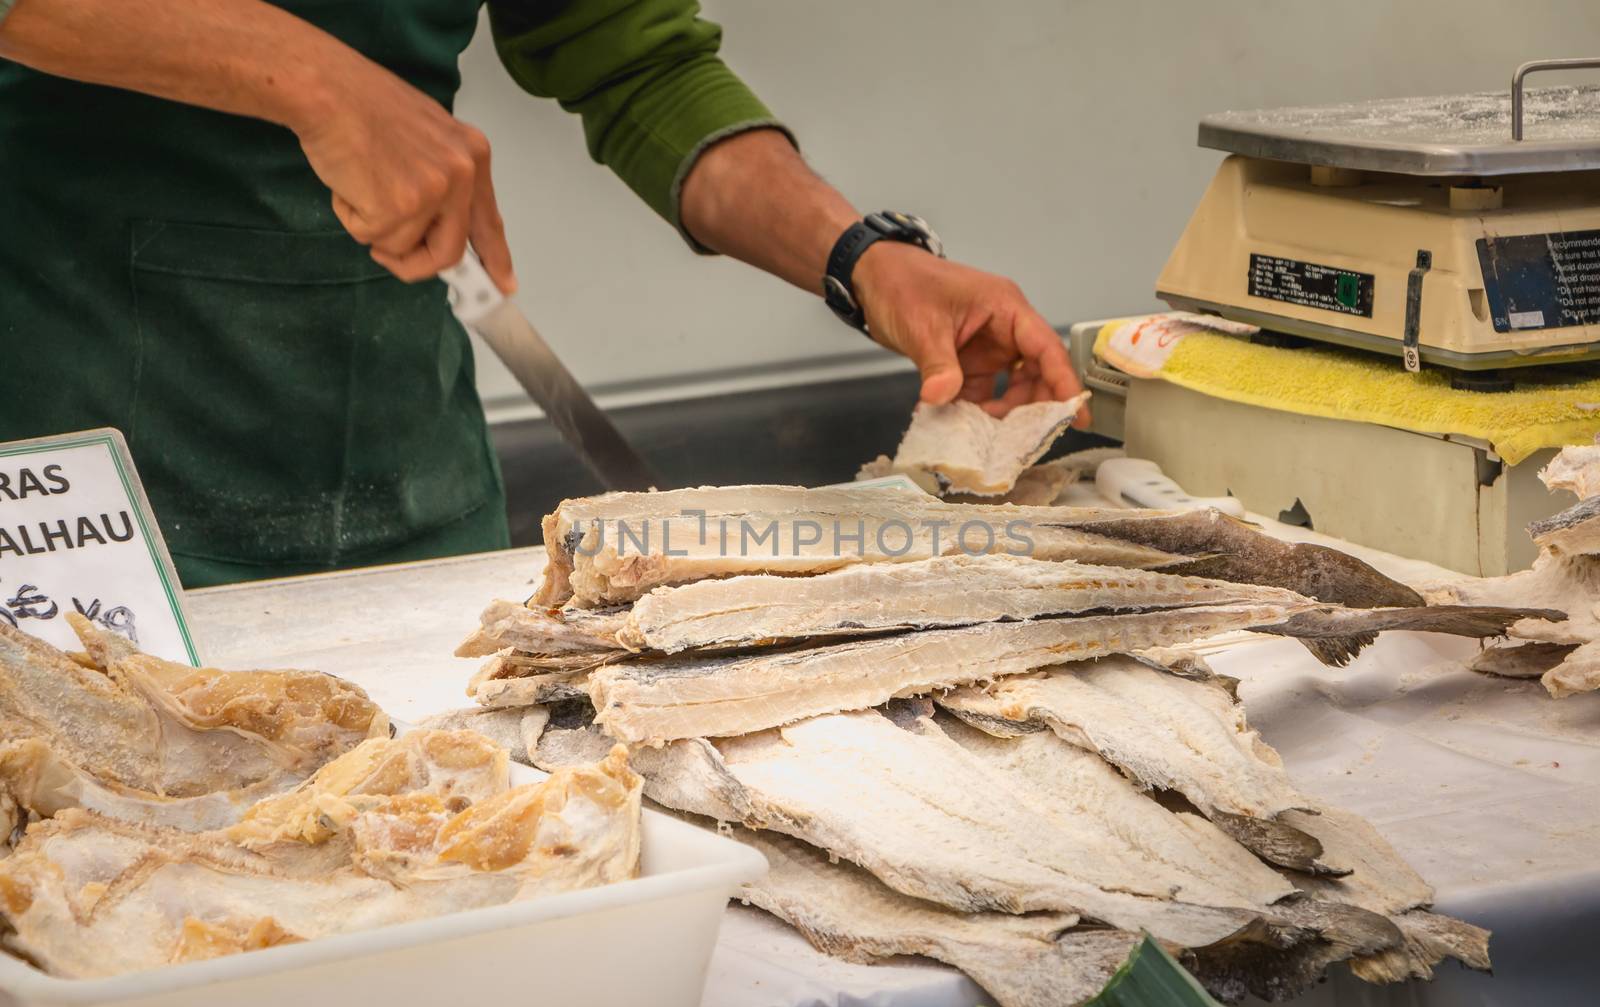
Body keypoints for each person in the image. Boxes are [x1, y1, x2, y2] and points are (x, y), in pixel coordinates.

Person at [0, 0, 1086, 587]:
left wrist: (863, 257)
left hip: (404, 474)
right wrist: (315, 80)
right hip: (75, 470)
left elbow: (634, 63)